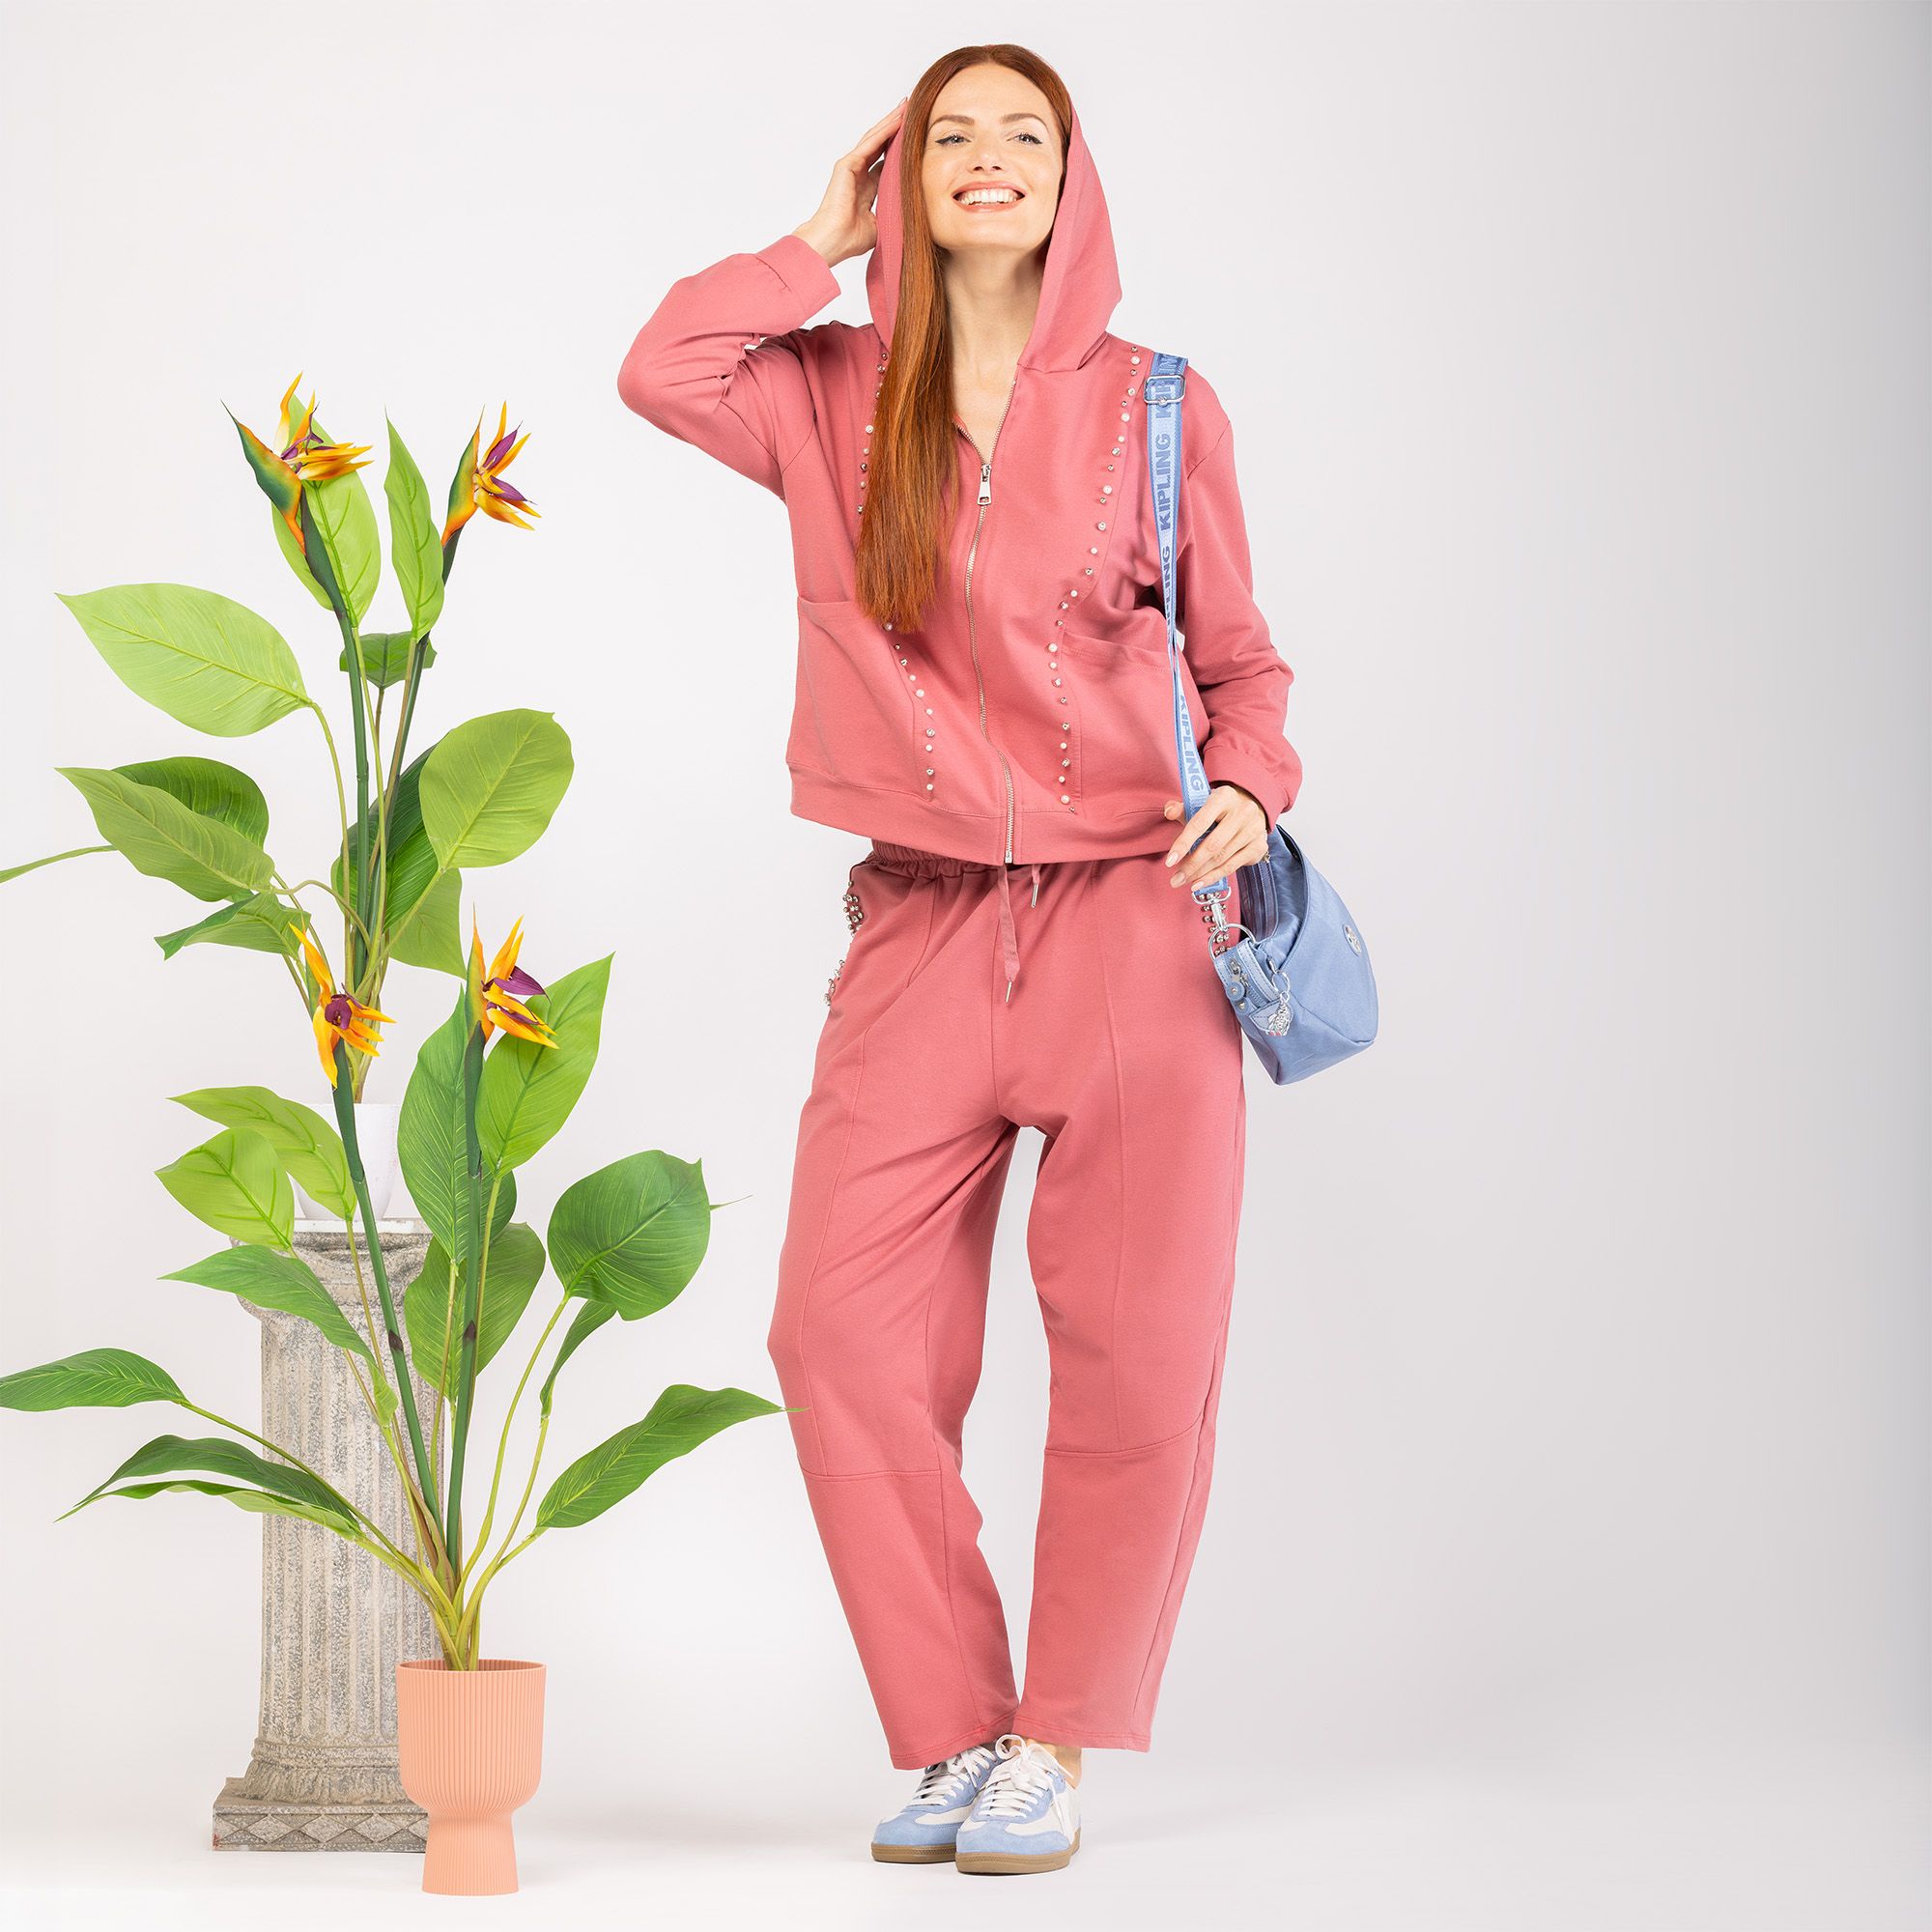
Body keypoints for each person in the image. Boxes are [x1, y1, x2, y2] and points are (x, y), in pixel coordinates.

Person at [616, 43, 1302, 1876]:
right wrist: (809, 243)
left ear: (1076, 181)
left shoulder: (1163, 407)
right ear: (900, 176)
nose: (988, 161)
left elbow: (1243, 661)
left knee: (1138, 1352)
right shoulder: (827, 397)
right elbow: (656, 368)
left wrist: (1250, 783)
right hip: (916, 924)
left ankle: (1057, 1747)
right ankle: (952, 1732)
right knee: (834, 1331)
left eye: (1026, 135)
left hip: (1137, 925)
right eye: (948, 139)